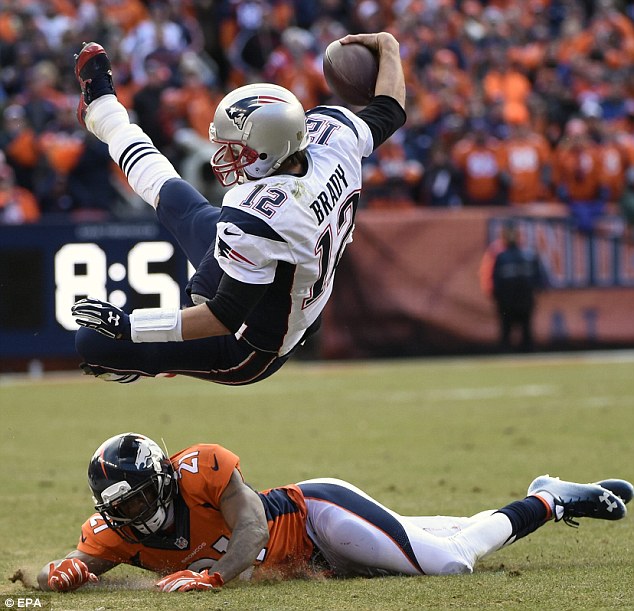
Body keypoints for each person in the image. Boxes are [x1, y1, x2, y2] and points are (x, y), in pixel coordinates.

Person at [69, 33, 406, 384]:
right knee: (174, 198)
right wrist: (389, 46)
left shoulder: (261, 217)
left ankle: (138, 365)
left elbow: (224, 316)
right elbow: (390, 109)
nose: (225, 156)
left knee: (94, 341)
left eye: (236, 148)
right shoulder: (335, 138)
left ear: (267, 151)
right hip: (287, 278)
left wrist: (129, 326)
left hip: (252, 346)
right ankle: (104, 113)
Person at [37, 432, 631, 592]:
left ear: (165, 480)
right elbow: (71, 563)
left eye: (141, 495)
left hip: (315, 514)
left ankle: (547, 501)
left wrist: (214, 576)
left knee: (450, 564)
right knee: (438, 536)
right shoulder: (115, 536)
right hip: (325, 561)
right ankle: (548, 491)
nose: (136, 513)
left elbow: (250, 529)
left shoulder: (203, 468)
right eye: (123, 506)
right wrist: (61, 574)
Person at [490, 222, 547, 352]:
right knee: (519, 333)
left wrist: (497, 296)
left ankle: (511, 358)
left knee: (512, 334)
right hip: (521, 301)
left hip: (511, 301)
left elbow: (495, 282)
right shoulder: (526, 255)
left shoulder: (504, 257)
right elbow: (541, 281)